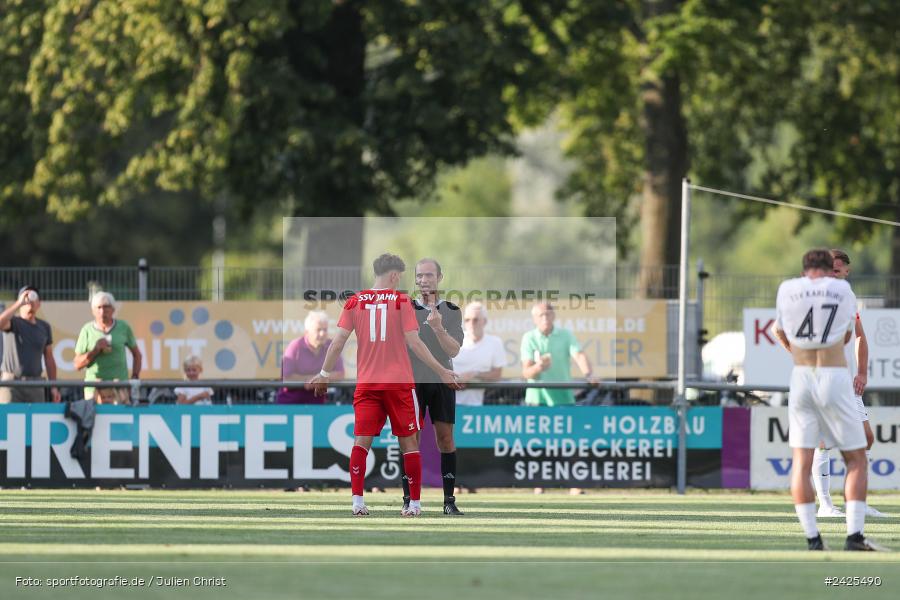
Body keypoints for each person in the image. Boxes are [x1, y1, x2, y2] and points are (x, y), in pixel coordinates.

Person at [308, 253, 460, 517]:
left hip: (368, 383)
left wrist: (323, 373)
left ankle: (357, 503)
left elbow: (338, 342)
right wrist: (442, 370)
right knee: (409, 443)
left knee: (361, 442)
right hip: (399, 383)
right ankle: (414, 505)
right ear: (393, 275)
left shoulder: (354, 301)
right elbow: (415, 343)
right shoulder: (401, 302)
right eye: (401, 277)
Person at [773, 249, 885, 551]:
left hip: (802, 376)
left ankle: (813, 539)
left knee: (801, 461)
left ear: (804, 270)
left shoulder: (788, 289)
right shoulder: (842, 291)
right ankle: (853, 536)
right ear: (829, 269)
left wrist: (798, 350)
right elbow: (848, 336)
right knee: (856, 458)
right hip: (834, 376)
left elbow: (778, 329)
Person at [810, 249, 886, 518]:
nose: (832, 274)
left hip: (847, 382)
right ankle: (825, 505)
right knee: (824, 441)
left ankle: (857, 502)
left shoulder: (848, 296)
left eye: (836, 269)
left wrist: (862, 373)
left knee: (866, 438)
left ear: (845, 272)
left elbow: (860, 336)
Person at [402, 258, 465, 515]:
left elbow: (454, 350)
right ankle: (409, 499)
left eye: (429, 275)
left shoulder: (451, 310)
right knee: (411, 439)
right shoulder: (405, 307)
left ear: (439, 277)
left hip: (442, 380)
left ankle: (449, 501)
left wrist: (438, 329)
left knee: (445, 438)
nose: (424, 280)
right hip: (412, 380)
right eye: (419, 275)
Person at [520, 302, 596, 407]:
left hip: (564, 399)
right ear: (534, 319)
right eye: (541, 315)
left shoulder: (566, 335)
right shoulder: (529, 338)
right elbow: (526, 372)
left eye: (548, 314)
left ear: (553, 316)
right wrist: (539, 367)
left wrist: (589, 375)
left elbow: (579, 356)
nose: (545, 318)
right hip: (536, 400)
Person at [73, 291, 142, 404]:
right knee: (93, 416)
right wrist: (96, 350)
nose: (102, 311)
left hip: (119, 387)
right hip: (94, 388)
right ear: (93, 311)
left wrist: (134, 378)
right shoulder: (87, 330)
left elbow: (137, 355)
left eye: (106, 307)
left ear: (113, 309)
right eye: (98, 308)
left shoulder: (123, 327)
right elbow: (77, 364)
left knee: (122, 415)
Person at [0, 286, 60, 403]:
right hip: (11, 384)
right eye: (26, 297)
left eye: (33, 297)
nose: (29, 300)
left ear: (39, 304)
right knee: (8, 414)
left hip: (35, 384)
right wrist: (19, 303)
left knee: (37, 415)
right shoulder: (13, 322)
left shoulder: (44, 327)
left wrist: (54, 387)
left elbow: (49, 358)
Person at [277, 311, 345, 404]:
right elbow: (286, 377)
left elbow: (340, 374)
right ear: (307, 332)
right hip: (290, 404)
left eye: (325, 330)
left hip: (318, 403)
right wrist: (312, 379)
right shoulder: (295, 346)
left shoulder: (331, 346)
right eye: (318, 330)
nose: (322, 333)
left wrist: (319, 378)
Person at [453, 301, 506, 406]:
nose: (471, 324)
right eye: (467, 320)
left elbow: (497, 374)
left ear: (484, 321)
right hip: (447, 403)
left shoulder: (495, 343)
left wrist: (475, 374)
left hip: (478, 406)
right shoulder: (453, 340)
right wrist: (455, 380)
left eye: (475, 320)